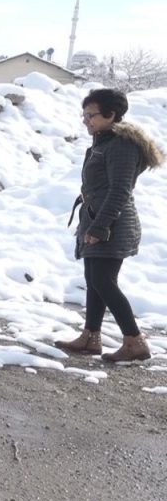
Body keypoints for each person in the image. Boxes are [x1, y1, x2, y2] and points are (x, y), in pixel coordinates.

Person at [54, 88, 163, 362]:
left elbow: (119, 191)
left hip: (114, 224)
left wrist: (100, 227)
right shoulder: (104, 142)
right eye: (84, 115)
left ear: (110, 114)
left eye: (90, 115)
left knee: (104, 280)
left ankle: (134, 340)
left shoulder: (121, 146)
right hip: (98, 218)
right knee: (94, 280)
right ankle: (91, 337)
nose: (85, 121)